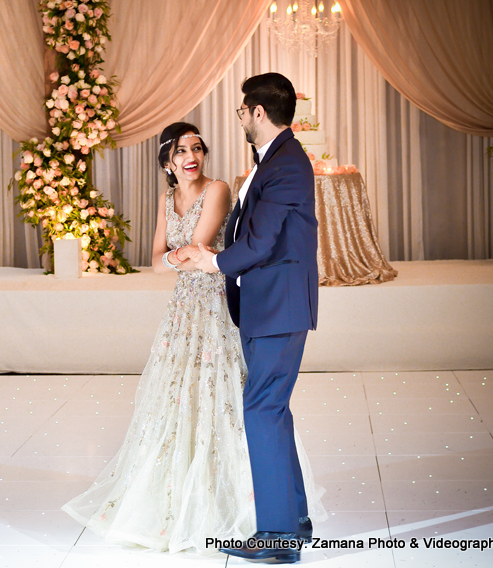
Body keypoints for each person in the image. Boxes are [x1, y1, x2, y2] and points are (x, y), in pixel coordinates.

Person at [61, 121, 325, 555]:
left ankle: (269, 514)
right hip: (182, 311)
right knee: (177, 399)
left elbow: (198, 248)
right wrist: (174, 257)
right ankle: (188, 494)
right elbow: (156, 263)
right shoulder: (168, 198)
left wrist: (176, 257)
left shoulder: (217, 189)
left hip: (216, 301)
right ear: (167, 160)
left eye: (197, 148)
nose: (192, 156)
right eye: (182, 150)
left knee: (235, 398)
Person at [191, 72, 320, 563]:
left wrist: (213, 262)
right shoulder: (274, 160)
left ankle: (278, 540)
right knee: (272, 410)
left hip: (279, 307)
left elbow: (262, 241)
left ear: (259, 113)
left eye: (243, 111)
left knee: (261, 410)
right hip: (268, 305)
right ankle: (295, 522)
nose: (241, 118)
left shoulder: (287, 163)